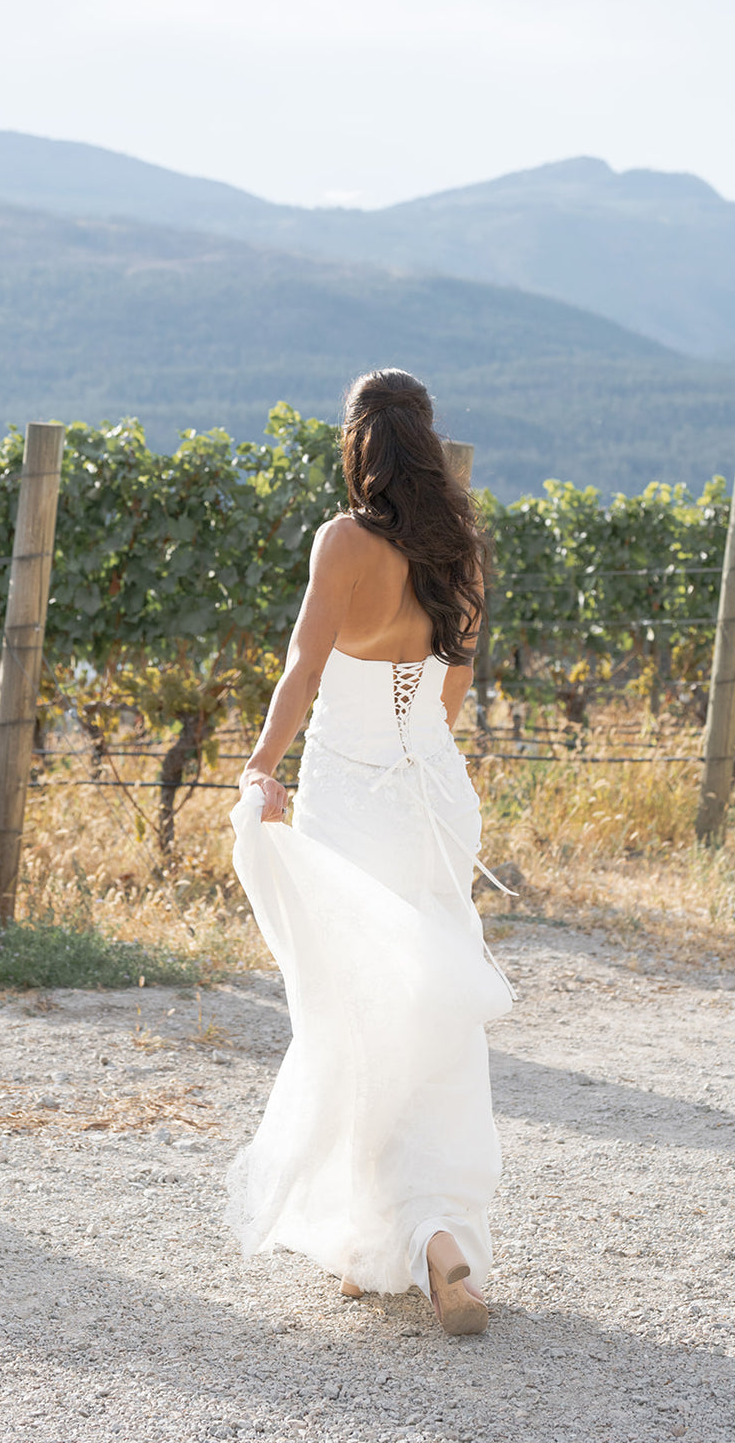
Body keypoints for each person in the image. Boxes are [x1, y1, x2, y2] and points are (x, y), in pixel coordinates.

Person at [226, 368, 513, 1337]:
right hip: (434, 800)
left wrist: (262, 770)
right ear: (426, 446)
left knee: (356, 1015)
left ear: (359, 447)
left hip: (351, 801)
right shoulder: (461, 552)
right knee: (429, 1010)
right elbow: (445, 706)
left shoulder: (341, 542)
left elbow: (304, 671)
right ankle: (427, 1240)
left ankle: (390, 1237)